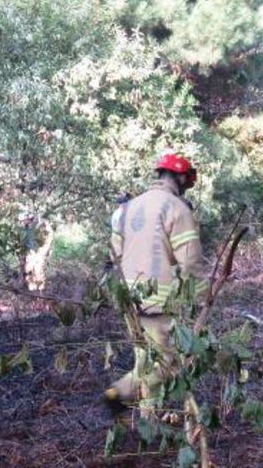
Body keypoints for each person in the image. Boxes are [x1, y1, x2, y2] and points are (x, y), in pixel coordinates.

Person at [104, 153, 209, 415]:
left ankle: (147, 419)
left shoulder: (128, 208)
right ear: (182, 177)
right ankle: (115, 398)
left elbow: (114, 254)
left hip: (129, 297)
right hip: (160, 301)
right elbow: (191, 260)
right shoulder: (177, 208)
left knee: (146, 356)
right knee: (166, 362)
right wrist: (202, 298)